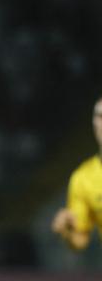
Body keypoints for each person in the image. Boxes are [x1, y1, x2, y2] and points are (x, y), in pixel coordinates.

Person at [51, 95, 102, 251]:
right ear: (94, 123)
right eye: (100, 116)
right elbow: (80, 239)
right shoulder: (83, 178)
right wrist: (68, 231)